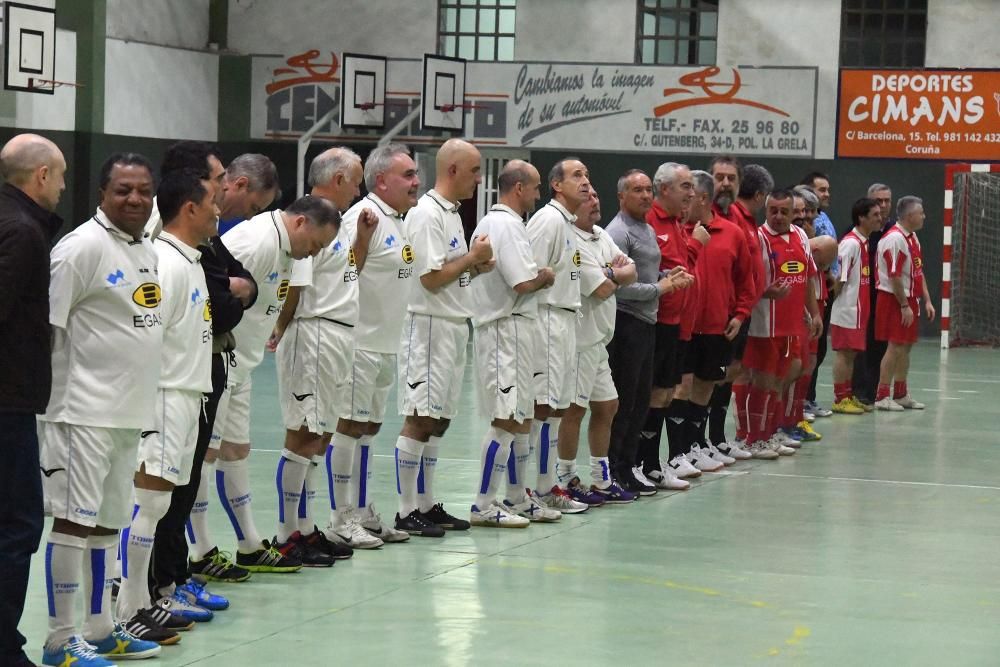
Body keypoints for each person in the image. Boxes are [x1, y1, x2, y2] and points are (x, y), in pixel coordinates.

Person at [38, 153, 163, 666]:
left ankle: (101, 627)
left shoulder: (144, 249)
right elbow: (45, 326)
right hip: (79, 413)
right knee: (72, 521)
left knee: (109, 521)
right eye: (123, 190)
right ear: (101, 194)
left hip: (127, 413)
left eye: (143, 190)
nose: (134, 199)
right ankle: (59, 638)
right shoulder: (80, 248)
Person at [161, 152, 274, 590]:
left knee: (181, 484)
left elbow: (243, 282)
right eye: (217, 181)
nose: (223, 192)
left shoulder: (210, 238)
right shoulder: (169, 245)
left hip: (208, 368)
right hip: (178, 376)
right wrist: (234, 292)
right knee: (160, 492)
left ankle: (173, 576)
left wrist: (236, 290)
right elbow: (223, 306)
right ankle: (155, 584)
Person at [116, 169, 220, 644]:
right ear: (190, 208)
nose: (219, 210)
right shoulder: (168, 263)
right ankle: (128, 606)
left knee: (159, 505)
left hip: (186, 395)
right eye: (213, 202)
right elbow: (145, 337)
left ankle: (141, 602)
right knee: (148, 501)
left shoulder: (191, 260)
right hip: (163, 397)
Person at [212, 194, 341, 570]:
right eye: (316, 245)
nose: (314, 254)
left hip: (243, 361)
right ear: (300, 223)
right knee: (204, 458)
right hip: (220, 359)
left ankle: (249, 545)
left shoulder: (287, 247)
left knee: (236, 451)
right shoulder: (258, 244)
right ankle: (201, 550)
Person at [269, 147, 378, 559]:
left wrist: (363, 240)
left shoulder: (340, 224)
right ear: (337, 179)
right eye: (356, 180)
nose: (359, 188)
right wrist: (280, 325)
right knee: (303, 433)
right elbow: (296, 281)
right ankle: (286, 535)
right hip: (312, 333)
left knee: (321, 436)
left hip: (338, 335)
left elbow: (349, 271)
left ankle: (305, 525)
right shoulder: (307, 218)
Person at [394, 139, 493, 536]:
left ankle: (425, 504)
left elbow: (451, 274)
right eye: (474, 171)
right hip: (429, 326)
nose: (479, 178)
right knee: (419, 417)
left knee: (439, 421)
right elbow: (431, 279)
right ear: (452, 170)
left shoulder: (452, 214)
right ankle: (405, 511)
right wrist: (472, 258)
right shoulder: (426, 214)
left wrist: (476, 268)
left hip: (452, 324)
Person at [325, 144, 419, 544]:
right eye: (408, 175)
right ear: (381, 180)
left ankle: (363, 511)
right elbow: (342, 271)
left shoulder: (399, 220)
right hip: (358, 343)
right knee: (347, 428)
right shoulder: (361, 217)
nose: (416, 182)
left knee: (369, 429)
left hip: (386, 345)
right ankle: (340, 518)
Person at [0, 133, 65, 667]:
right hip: (7, 403)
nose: (63, 187)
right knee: (19, 522)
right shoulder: (22, 232)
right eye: (61, 176)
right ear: (41, 176)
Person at [468, 159, 560, 526]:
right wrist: (546, 276)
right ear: (519, 188)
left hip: (519, 330)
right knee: (505, 417)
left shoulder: (511, 224)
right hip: (502, 330)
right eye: (536, 187)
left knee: (520, 418)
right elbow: (522, 283)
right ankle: (482, 504)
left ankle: (517, 497)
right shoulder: (503, 224)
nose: (539, 194)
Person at [605, 169, 692, 493]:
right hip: (626, 323)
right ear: (622, 196)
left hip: (647, 324)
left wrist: (670, 273)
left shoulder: (646, 228)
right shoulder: (618, 232)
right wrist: (659, 288)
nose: (644, 196)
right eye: (636, 190)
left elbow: (648, 270)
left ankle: (630, 465)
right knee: (624, 401)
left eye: (647, 190)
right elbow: (617, 287)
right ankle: (614, 469)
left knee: (641, 400)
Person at [556, 191, 643, 504]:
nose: (594, 200)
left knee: (608, 406)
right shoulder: (571, 240)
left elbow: (632, 270)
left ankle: (601, 479)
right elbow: (603, 288)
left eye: (596, 195)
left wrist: (614, 272)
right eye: (587, 197)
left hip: (599, 341)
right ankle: (565, 478)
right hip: (579, 340)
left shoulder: (601, 235)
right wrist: (615, 272)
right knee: (574, 410)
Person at [523, 158, 592, 513]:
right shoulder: (548, 221)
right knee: (541, 406)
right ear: (556, 185)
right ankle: (530, 489)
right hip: (546, 319)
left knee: (556, 409)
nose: (585, 182)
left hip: (565, 320)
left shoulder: (568, 224)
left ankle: (546, 485)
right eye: (577, 176)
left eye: (587, 176)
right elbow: (529, 274)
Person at [637, 162, 709, 486]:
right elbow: (657, 272)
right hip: (656, 322)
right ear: (664, 189)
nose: (691, 194)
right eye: (685, 187)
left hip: (678, 323)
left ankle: (653, 463)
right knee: (652, 393)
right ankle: (642, 462)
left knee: (666, 394)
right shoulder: (651, 222)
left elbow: (683, 271)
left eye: (692, 187)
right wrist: (695, 244)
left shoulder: (679, 224)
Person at [678, 171, 754, 465]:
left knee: (706, 385)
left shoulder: (732, 233)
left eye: (690, 194)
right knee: (681, 388)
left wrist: (740, 314)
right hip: (683, 327)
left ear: (704, 198)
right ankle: (679, 452)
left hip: (716, 326)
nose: (684, 200)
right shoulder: (678, 231)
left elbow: (745, 281)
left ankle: (697, 445)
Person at [740, 189, 822, 458]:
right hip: (764, 324)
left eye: (784, 211)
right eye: (772, 210)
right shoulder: (759, 238)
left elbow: (809, 277)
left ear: (793, 212)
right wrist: (765, 292)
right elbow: (748, 281)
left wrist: (814, 312)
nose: (777, 216)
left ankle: (769, 432)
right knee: (763, 380)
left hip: (792, 323)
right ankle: (753, 438)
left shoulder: (800, 236)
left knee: (781, 379)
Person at [707, 162, 770, 455]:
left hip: (739, 312)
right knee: (707, 379)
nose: (725, 183)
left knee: (730, 372)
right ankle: (702, 442)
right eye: (719, 177)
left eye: (731, 178)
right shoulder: (703, 217)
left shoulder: (741, 217)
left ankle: (718, 438)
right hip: (714, 313)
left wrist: (744, 308)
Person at [874, 196, 935, 411]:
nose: (924, 216)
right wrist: (903, 305)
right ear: (910, 216)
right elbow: (894, 276)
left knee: (905, 348)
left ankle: (900, 393)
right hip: (894, 299)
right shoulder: (895, 240)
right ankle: (882, 396)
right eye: (921, 212)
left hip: (910, 298)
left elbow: (918, 271)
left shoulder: (913, 238)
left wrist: (926, 299)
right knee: (895, 347)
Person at [831, 198, 883, 414]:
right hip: (846, 310)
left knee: (851, 354)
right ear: (861, 218)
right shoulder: (850, 243)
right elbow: (839, 278)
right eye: (875, 215)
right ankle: (840, 398)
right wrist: (830, 306)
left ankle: (848, 395)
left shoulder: (864, 242)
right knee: (844, 354)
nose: (880, 219)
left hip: (859, 311)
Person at [853, 183, 894, 406]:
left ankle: (878, 392)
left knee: (882, 347)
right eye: (878, 201)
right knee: (860, 349)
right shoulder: (856, 234)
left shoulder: (895, 231)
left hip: (884, 302)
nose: (884, 205)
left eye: (887, 201)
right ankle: (858, 392)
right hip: (860, 301)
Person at [800, 171, 837, 419]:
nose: (808, 217)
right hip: (798, 305)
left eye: (811, 212)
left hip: (819, 295)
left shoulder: (819, 225)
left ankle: (803, 403)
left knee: (813, 355)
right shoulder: (794, 237)